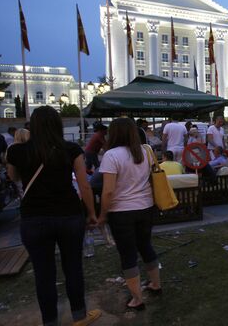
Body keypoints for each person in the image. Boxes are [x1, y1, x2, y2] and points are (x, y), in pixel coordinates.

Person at [6, 106, 101, 326]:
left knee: (43, 273)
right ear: (58, 125)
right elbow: (84, 186)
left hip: (33, 217)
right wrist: (92, 214)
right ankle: (79, 315)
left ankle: (50, 321)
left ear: (34, 126)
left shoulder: (16, 151)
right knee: (73, 267)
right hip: (68, 214)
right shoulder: (71, 149)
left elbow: (14, 177)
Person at [98, 118, 161, 311]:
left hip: (121, 211)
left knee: (128, 254)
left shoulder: (111, 155)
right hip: (146, 207)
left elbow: (108, 191)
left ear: (114, 133)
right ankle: (156, 284)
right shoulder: (145, 151)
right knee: (145, 245)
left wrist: (102, 215)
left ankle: (137, 299)